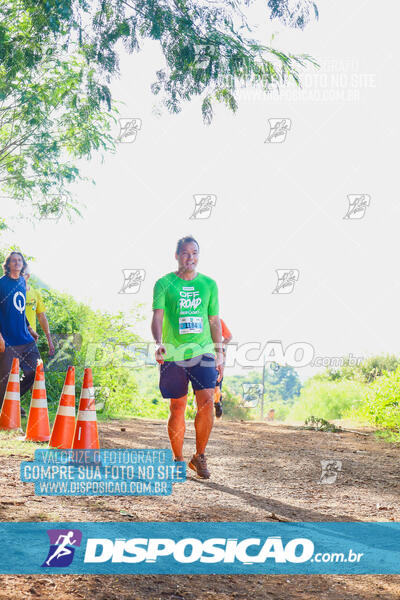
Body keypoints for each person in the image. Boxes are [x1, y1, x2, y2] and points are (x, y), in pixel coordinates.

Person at [151, 236, 223, 479]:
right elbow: (158, 317)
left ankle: (199, 456)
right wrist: (159, 343)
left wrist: (219, 352)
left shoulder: (209, 284)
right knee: (177, 406)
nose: (190, 258)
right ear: (176, 255)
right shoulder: (163, 283)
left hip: (203, 352)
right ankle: (178, 459)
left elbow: (214, 321)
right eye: (185, 253)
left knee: (206, 403)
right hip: (173, 353)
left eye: (194, 253)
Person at [0, 252, 41, 416]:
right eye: (13, 260)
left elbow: (20, 309)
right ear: (8, 264)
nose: (17, 263)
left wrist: (30, 328)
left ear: (23, 264)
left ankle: (12, 400)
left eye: (19, 260)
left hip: (25, 338)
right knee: (4, 381)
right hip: (7, 340)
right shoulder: (2, 284)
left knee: (36, 370)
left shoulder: (22, 283)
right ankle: (5, 408)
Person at [23, 267, 55, 356]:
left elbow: (42, 317)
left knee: (35, 368)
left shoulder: (35, 293)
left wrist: (49, 340)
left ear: (28, 276)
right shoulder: (10, 292)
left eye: (21, 274)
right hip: (12, 339)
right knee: (12, 369)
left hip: (30, 339)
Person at [214, 318, 232, 419]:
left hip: (217, 355)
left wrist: (219, 345)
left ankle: (217, 403)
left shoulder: (218, 321)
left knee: (216, 385)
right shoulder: (198, 319)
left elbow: (229, 336)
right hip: (200, 354)